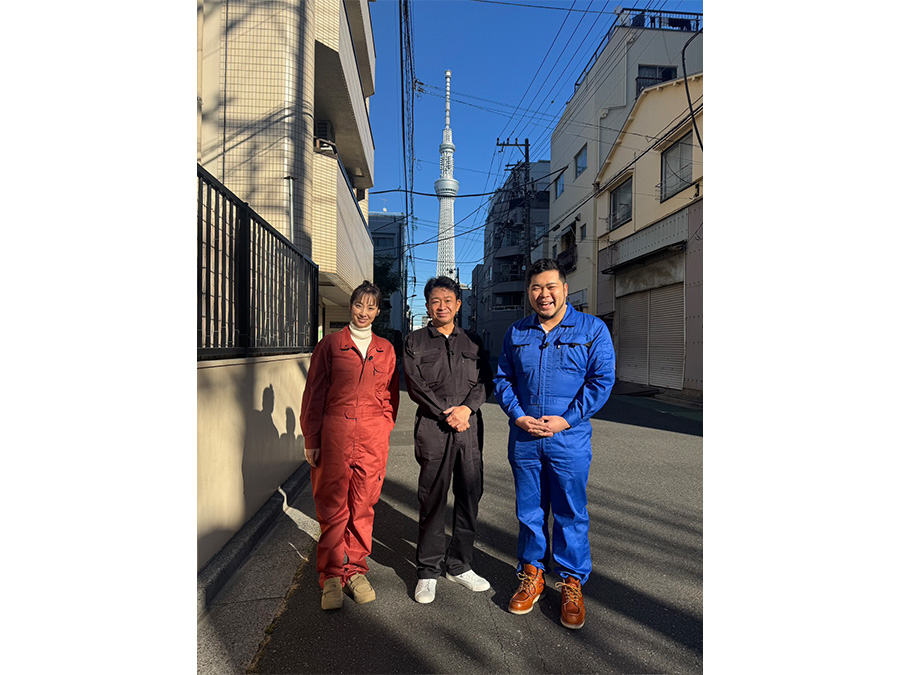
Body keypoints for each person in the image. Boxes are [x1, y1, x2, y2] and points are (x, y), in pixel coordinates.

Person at [493, 259, 615, 630]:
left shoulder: (592, 329)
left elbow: (601, 381)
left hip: (568, 438)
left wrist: (566, 419)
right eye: (536, 288)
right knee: (529, 511)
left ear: (564, 288)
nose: (543, 295)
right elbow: (503, 379)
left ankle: (571, 581)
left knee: (570, 511)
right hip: (526, 437)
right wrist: (518, 416)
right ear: (528, 292)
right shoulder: (517, 332)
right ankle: (532, 574)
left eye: (550, 287)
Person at [300, 281, 400, 611]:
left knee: (363, 505)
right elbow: (314, 394)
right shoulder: (330, 345)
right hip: (335, 433)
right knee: (332, 505)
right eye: (359, 305)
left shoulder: (386, 349)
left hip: (372, 436)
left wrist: (383, 425)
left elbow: (391, 396)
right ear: (351, 306)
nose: (364, 312)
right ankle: (330, 574)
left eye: (371, 307)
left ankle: (355, 569)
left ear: (378, 311)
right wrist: (312, 438)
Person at [403, 276, 494, 604]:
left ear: (458, 304)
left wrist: (466, 409)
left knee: (470, 495)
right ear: (427, 306)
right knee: (432, 497)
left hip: (468, 426)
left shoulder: (472, 341)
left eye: (447, 300)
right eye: (435, 301)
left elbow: (486, 380)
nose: (441, 306)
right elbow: (415, 384)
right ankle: (428, 570)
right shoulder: (415, 341)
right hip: (434, 428)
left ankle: (459, 565)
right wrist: (447, 413)